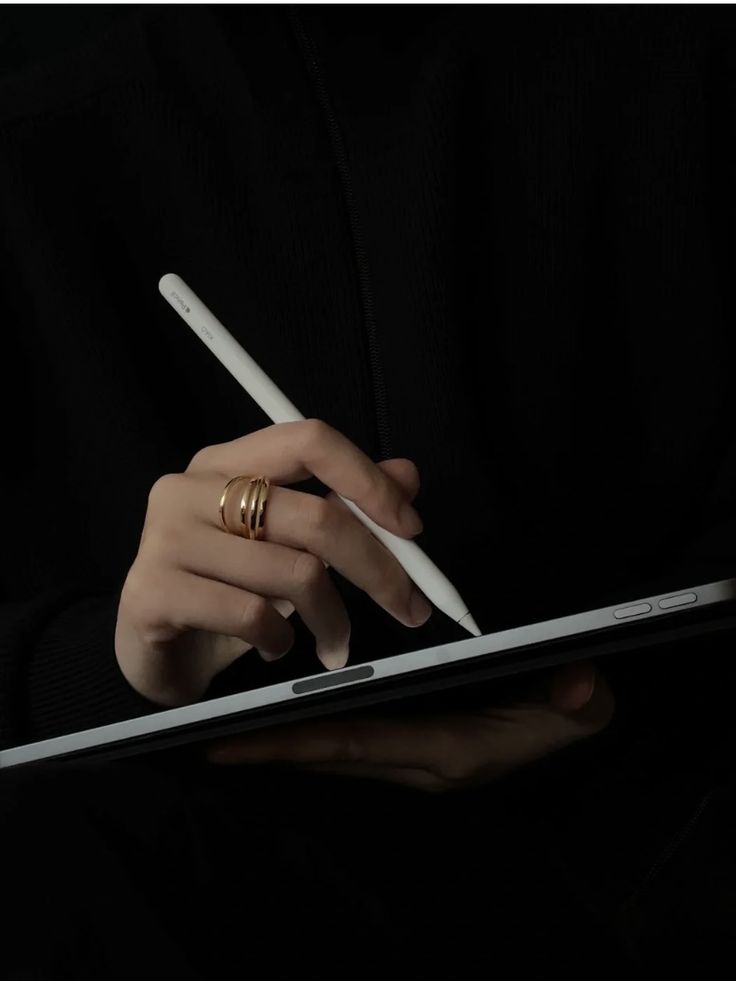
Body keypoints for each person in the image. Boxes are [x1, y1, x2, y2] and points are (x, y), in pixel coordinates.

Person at [1, 4, 736, 975]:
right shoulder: (33, 165)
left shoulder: (679, 61)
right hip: (186, 904)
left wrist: (647, 723)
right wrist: (109, 663)